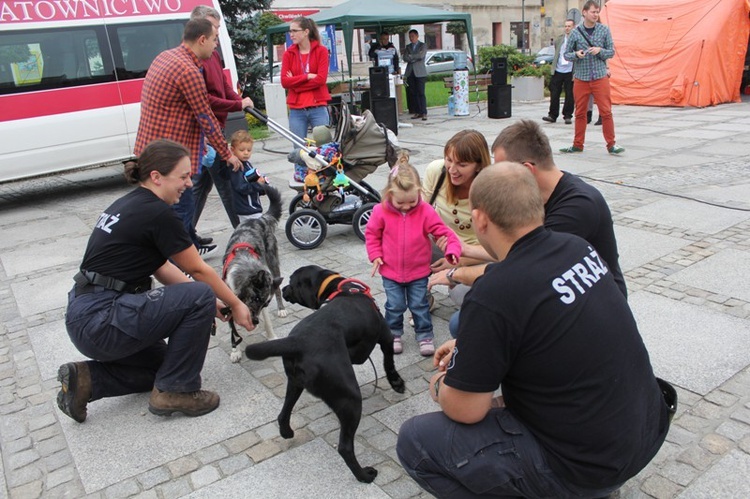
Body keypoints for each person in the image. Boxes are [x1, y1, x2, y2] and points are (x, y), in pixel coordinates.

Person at [397, 162, 670, 498]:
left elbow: (466, 409)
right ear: (537, 207)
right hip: (645, 432)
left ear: (480, 219)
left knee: (415, 440)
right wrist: (472, 346)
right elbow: (552, 333)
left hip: (583, 469)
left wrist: (440, 385)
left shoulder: (495, 291)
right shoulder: (577, 247)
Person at [57, 139, 255, 424]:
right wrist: (236, 304)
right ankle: (177, 392)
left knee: (167, 365)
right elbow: (199, 271)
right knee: (198, 293)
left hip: (85, 317)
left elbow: (162, 267)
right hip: (102, 319)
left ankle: (88, 380)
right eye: (184, 176)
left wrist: (212, 302)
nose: (189, 183)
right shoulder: (158, 213)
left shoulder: (132, 203)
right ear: (156, 177)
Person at [431, 120, 626, 337]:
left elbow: (520, 269)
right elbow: (515, 254)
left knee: (466, 323)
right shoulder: (540, 193)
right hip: (554, 287)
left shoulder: (576, 208)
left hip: (588, 305)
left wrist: (456, 274)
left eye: (502, 168)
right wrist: (465, 250)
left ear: (526, 169)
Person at [134, 18, 243, 256]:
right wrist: (227, 154)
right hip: (170, 158)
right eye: (214, 40)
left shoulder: (165, 56)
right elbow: (205, 116)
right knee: (178, 216)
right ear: (202, 39)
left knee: (168, 214)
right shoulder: (188, 71)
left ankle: (186, 247)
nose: (216, 46)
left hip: (151, 151)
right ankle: (182, 274)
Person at [365, 155, 461, 357]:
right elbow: (372, 235)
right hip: (390, 271)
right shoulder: (379, 211)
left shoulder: (425, 211)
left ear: (419, 192)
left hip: (418, 271)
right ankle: (393, 333)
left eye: (412, 201)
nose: (407, 206)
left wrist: (452, 250)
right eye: (400, 202)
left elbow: (444, 232)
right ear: (389, 194)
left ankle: (425, 334)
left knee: (419, 304)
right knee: (394, 305)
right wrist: (375, 255)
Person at [190, 5, 254, 231]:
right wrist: (237, 104)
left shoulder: (213, 54)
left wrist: (239, 99)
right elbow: (205, 100)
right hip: (207, 133)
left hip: (215, 128)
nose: (218, 34)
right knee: (227, 183)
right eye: (214, 28)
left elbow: (223, 86)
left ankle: (187, 234)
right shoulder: (195, 61)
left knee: (201, 185)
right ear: (201, 32)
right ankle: (242, 231)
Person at [422, 130, 492, 308]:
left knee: (463, 296)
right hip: (445, 243)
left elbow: (500, 250)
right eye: (449, 160)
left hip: (480, 254)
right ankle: (421, 297)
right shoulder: (437, 171)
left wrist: (459, 261)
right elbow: (420, 214)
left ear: (478, 165)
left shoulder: (491, 188)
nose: (452, 169)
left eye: (461, 164)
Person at [561, 0, 624, 155]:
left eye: (597, 12)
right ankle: (577, 144)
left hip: (600, 77)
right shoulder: (575, 32)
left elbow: (611, 51)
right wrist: (576, 54)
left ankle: (611, 145)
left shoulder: (604, 30)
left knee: (606, 111)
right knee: (580, 112)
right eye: (593, 12)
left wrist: (600, 51)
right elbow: (566, 54)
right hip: (581, 78)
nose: (596, 15)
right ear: (584, 13)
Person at [281, 16, 331, 182]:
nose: (291, 34)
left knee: (322, 145)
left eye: (294, 31)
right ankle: (301, 174)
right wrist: (307, 77)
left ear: (306, 32)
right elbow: (284, 82)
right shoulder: (289, 54)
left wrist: (296, 82)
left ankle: (323, 172)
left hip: (317, 106)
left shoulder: (321, 51)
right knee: (298, 146)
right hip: (297, 109)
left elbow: (321, 79)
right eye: (290, 31)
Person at [228, 130, 267, 223]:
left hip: (252, 207)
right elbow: (241, 187)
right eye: (242, 150)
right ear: (233, 150)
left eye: (249, 150)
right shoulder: (237, 167)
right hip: (247, 210)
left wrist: (262, 187)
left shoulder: (247, 164)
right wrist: (258, 185)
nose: (246, 153)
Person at [542, 19, 575, 125]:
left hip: (570, 70)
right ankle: (552, 115)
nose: (567, 28)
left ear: (573, 27)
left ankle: (567, 115)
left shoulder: (576, 39)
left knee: (570, 94)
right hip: (558, 69)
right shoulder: (560, 39)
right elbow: (557, 51)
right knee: (554, 93)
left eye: (569, 26)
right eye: (565, 26)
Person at [401, 29, 427, 120]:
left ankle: (423, 112)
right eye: (410, 37)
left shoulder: (422, 45)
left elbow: (421, 56)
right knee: (413, 93)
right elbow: (405, 57)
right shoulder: (408, 47)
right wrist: (413, 57)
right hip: (410, 72)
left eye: (412, 36)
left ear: (417, 36)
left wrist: (411, 56)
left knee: (421, 93)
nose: (411, 38)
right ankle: (417, 111)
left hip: (420, 73)